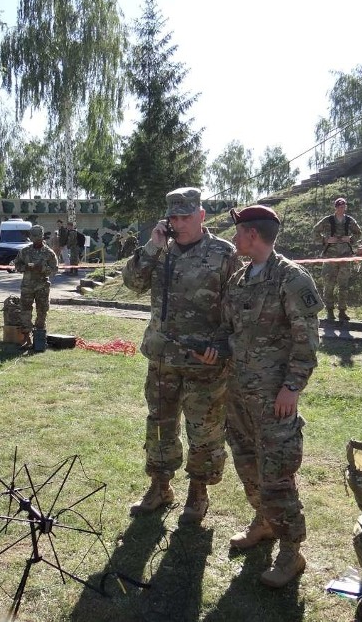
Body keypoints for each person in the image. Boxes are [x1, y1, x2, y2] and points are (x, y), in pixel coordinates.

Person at [196, 204, 322, 588]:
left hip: (274, 399)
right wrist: (215, 348)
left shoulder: (292, 279)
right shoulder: (239, 279)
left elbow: (308, 342)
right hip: (238, 395)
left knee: (277, 474)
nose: (234, 239)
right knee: (248, 463)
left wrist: (292, 388)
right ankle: (264, 521)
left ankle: (290, 551)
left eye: (238, 233)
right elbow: (226, 329)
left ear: (252, 235)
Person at [122, 187, 240, 525]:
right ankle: (160, 487)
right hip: (162, 358)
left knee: (204, 430)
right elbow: (132, 283)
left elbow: (237, 308)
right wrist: (152, 245)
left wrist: (221, 347)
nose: (179, 222)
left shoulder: (224, 253)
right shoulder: (160, 250)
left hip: (204, 362)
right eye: (173, 216)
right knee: (160, 424)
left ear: (201, 215)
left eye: (186, 216)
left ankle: (198, 493)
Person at [312, 197, 361, 322]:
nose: (341, 208)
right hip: (330, 257)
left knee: (343, 286)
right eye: (339, 206)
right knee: (329, 285)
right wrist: (325, 240)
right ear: (335, 207)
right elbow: (315, 232)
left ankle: (342, 312)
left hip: (345, 256)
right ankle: (329, 311)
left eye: (343, 206)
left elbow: (358, 233)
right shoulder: (328, 220)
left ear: (346, 207)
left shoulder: (349, 220)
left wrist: (350, 239)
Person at [13, 225, 58, 351]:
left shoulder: (49, 253)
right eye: (33, 237)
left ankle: (39, 339)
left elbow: (54, 270)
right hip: (27, 287)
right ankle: (26, 339)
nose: (35, 239)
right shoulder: (25, 251)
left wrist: (42, 268)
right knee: (25, 312)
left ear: (42, 236)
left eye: (37, 236)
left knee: (42, 312)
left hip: (42, 287)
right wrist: (25, 267)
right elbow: (17, 264)